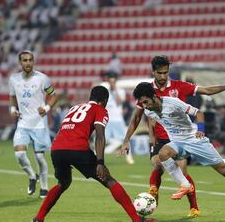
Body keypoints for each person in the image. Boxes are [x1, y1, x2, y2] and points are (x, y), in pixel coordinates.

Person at [120, 82, 225, 219]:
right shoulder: (150, 111)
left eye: (146, 102)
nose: (144, 106)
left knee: (224, 170)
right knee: (163, 153)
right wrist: (134, 138)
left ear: (154, 96)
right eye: (142, 103)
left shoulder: (172, 103)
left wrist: (200, 130)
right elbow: (141, 119)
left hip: (194, 139)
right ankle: (186, 185)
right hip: (177, 142)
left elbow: (199, 113)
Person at [31, 86, 154, 222]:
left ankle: (39, 218)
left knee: (62, 183)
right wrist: (100, 162)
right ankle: (137, 219)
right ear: (104, 101)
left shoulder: (74, 108)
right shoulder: (100, 109)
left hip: (57, 149)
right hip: (77, 148)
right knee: (109, 180)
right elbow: (100, 135)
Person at [9, 50, 58, 198]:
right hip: (23, 122)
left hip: (39, 124)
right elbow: (12, 97)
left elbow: (54, 95)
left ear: (33, 61)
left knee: (40, 158)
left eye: (30, 60)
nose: (28, 63)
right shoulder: (13, 79)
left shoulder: (42, 78)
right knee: (20, 154)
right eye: (25, 60)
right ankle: (32, 176)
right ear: (20, 62)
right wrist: (12, 109)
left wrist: (47, 108)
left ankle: (44, 187)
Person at [104, 73, 135, 164]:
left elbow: (120, 101)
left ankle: (129, 157)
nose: (112, 83)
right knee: (102, 139)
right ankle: (97, 158)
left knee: (125, 139)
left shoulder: (120, 91)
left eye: (113, 82)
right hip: (108, 120)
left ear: (115, 82)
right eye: (110, 82)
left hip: (118, 119)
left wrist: (115, 91)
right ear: (108, 82)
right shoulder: (105, 92)